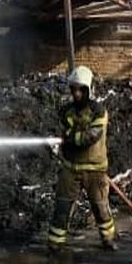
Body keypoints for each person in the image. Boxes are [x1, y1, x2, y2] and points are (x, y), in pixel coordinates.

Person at [48, 66, 117, 251]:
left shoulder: (99, 112)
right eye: (74, 89)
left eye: (81, 89)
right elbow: (61, 129)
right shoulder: (66, 111)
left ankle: (108, 239)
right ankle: (55, 243)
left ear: (88, 89)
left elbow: (90, 137)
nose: (76, 93)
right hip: (70, 167)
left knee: (100, 207)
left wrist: (70, 137)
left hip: (95, 169)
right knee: (62, 207)